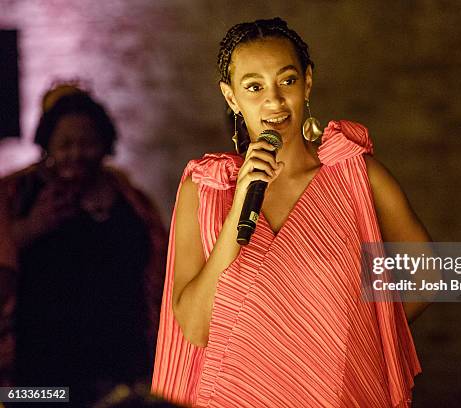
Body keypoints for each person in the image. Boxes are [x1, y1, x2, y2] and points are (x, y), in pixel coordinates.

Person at [152, 17, 431, 407]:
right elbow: (197, 329)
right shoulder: (204, 189)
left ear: (308, 82)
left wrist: (359, 334)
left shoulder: (354, 174)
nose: (274, 101)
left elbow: (427, 271)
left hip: (334, 393)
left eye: (287, 81)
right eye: (254, 87)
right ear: (231, 97)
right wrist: (237, 214)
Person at [0, 84, 167, 405]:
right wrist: (32, 227)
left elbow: (158, 271)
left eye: (87, 143)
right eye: (65, 144)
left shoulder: (131, 200)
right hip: (34, 378)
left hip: (118, 371)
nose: (76, 153)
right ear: (46, 145)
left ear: (105, 145)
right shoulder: (15, 195)